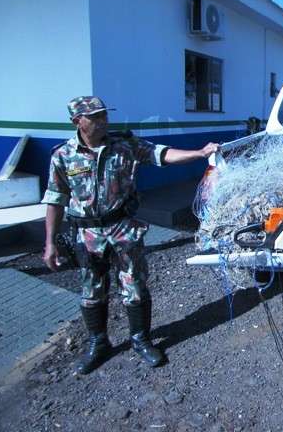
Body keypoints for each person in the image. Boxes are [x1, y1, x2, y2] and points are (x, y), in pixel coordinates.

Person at [42, 96, 219, 374]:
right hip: (87, 235)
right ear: (77, 121)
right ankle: (98, 343)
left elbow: (163, 154)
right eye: (95, 117)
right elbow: (55, 199)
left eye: (104, 115)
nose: (103, 121)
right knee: (91, 293)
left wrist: (198, 153)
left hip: (123, 229)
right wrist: (50, 242)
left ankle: (141, 339)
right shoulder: (62, 156)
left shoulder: (125, 145)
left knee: (135, 288)